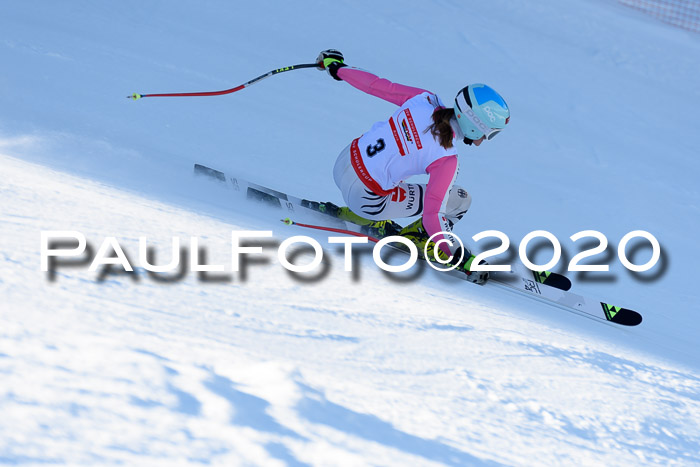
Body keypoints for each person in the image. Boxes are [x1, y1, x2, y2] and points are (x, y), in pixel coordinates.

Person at [313, 49, 510, 283]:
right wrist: (456, 256)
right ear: (475, 125)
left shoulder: (424, 100)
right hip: (363, 198)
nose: (484, 140)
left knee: (398, 162)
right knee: (459, 198)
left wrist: (337, 68)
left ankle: (369, 217)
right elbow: (432, 214)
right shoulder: (446, 159)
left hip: (343, 162)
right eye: (489, 134)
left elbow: (375, 85)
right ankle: (420, 240)